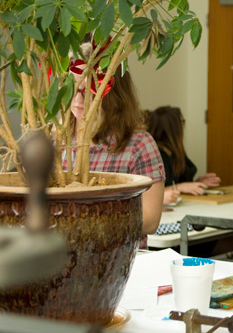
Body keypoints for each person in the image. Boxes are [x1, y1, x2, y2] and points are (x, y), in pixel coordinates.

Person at [69, 53, 165, 236]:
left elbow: (150, 220)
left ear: (112, 94)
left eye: (87, 91)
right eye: (71, 89)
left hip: (119, 258)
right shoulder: (54, 143)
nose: (77, 101)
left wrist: (83, 226)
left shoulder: (139, 146)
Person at [147, 105, 221, 204]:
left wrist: (197, 183)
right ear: (174, 128)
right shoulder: (156, 155)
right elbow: (153, 191)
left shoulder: (173, 153)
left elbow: (178, 180)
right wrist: (181, 187)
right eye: (182, 122)